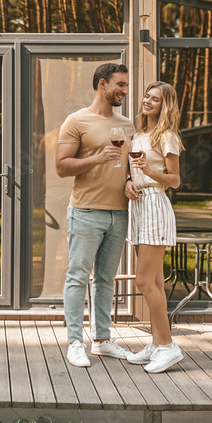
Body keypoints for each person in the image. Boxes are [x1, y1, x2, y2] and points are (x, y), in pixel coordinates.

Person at [56, 63, 135, 368]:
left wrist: (129, 181)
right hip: (86, 211)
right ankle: (75, 342)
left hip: (119, 213)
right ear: (103, 84)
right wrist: (97, 158)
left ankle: (102, 340)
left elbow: (128, 168)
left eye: (126, 85)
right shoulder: (76, 121)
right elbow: (62, 167)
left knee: (105, 279)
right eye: (120, 85)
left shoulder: (127, 125)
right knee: (78, 276)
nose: (124, 90)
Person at [124, 81, 184, 374]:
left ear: (165, 105)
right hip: (138, 206)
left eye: (155, 99)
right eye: (147, 96)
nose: (147, 101)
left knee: (144, 281)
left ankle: (169, 347)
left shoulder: (167, 136)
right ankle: (157, 343)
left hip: (155, 207)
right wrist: (129, 183)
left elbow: (175, 180)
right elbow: (133, 173)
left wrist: (148, 171)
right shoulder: (138, 135)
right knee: (156, 283)